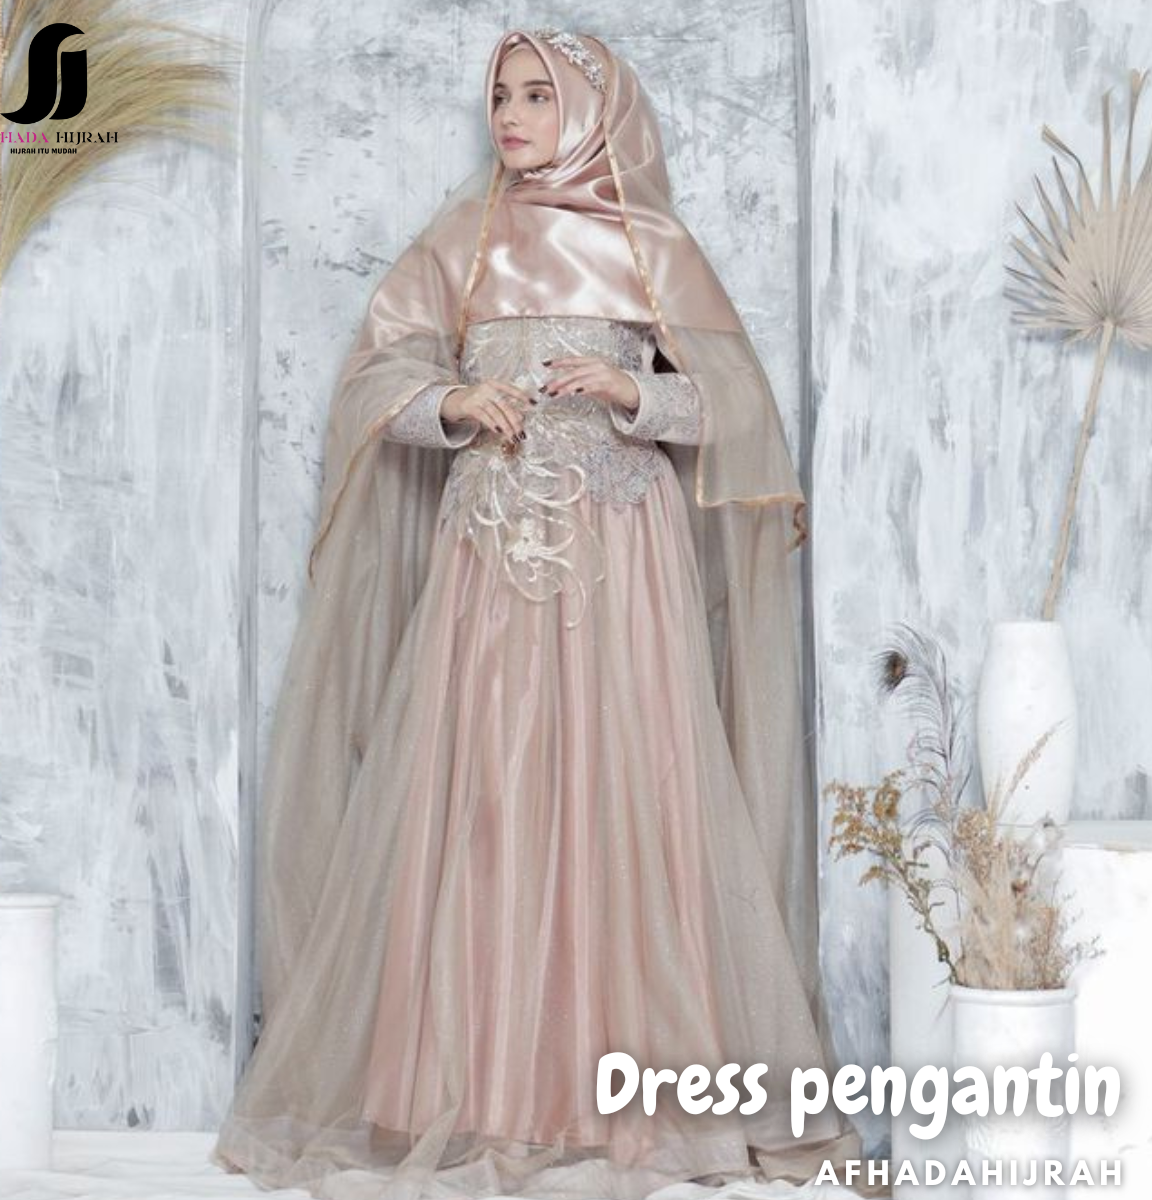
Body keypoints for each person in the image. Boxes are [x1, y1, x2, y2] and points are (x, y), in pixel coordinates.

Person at [211, 26, 862, 1200]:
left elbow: (741, 414)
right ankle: (478, 1092)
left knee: (628, 789)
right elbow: (375, 377)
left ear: (592, 110)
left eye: (536, 95)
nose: (509, 116)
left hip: (622, 556)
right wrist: (455, 402)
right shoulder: (463, 238)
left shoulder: (649, 242)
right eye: (500, 95)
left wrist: (635, 392)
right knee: (485, 793)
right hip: (490, 555)